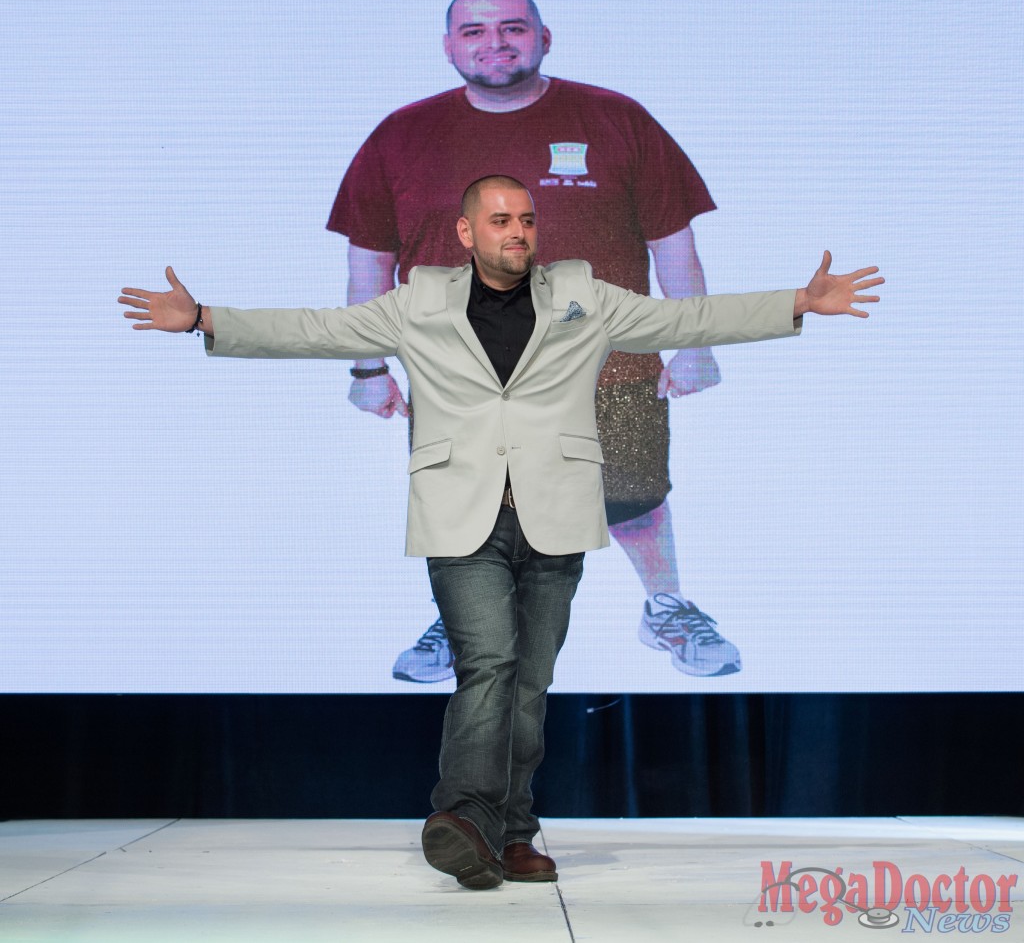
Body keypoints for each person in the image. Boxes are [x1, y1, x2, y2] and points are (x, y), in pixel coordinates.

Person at [119, 175, 882, 888]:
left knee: (529, 679)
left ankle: (510, 832)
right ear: (464, 232)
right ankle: (461, 815)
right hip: (460, 510)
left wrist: (795, 304)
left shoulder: (581, 292)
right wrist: (206, 321)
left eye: (526, 220)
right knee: (488, 662)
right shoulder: (416, 300)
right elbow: (321, 329)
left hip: (557, 509)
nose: (518, 231)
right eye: (501, 220)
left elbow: (682, 318)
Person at [330, 0, 733, 683]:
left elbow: (674, 245)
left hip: (609, 365)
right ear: (449, 45)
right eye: (474, 32)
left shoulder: (617, 119)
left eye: (514, 28)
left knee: (634, 498)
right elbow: (367, 262)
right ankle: (463, 623)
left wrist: (696, 344)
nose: (495, 43)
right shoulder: (401, 135)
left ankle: (666, 606)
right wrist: (368, 370)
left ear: (546, 39)